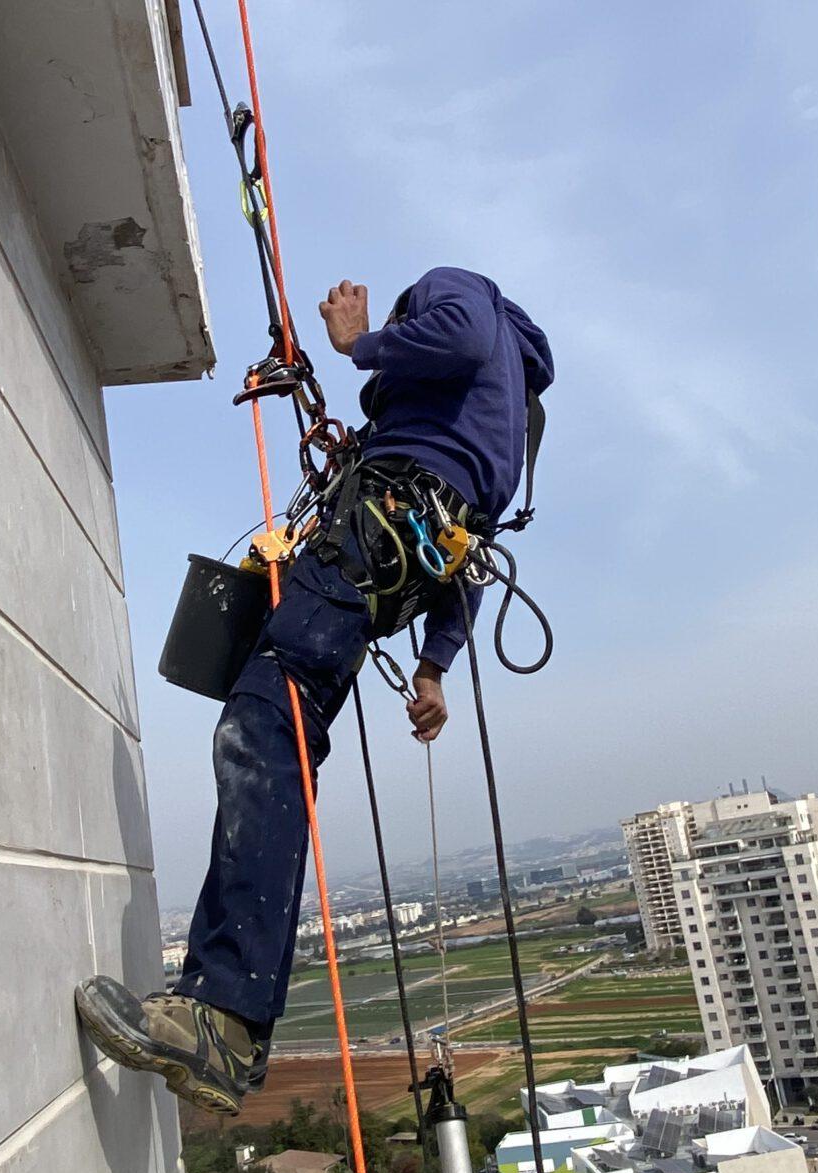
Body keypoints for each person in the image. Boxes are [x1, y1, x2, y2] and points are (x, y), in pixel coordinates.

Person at [75, 267, 554, 1114]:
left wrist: (360, 342)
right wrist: (436, 663)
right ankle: (221, 1008)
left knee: (264, 727)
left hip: (367, 547)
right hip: (392, 560)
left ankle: (222, 1016)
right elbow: (465, 551)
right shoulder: (492, 423)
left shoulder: (456, 291)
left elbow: (460, 335)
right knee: (270, 725)